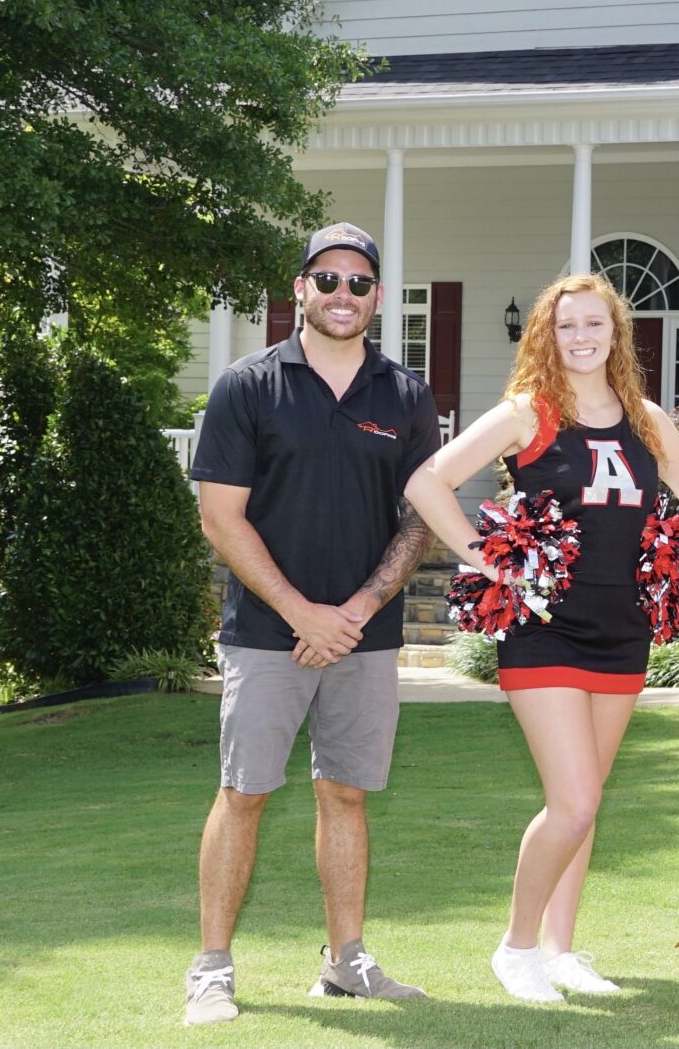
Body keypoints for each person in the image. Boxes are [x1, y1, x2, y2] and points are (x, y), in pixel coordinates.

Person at [402, 272, 679, 1004]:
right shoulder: (527, 412)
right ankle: (516, 948)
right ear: (548, 333)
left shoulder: (643, 418)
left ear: (616, 335)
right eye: (567, 326)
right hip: (544, 628)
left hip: (621, 630)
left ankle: (561, 951)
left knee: (589, 799)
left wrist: (668, 559)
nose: (581, 338)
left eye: (594, 326)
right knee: (571, 801)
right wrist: (486, 556)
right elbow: (427, 482)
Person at [184, 224, 443, 1026]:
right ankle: (212, 969)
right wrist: (302, 613)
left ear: (377, 299)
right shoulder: (247, 385)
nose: (342, 294)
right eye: (326, 280)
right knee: (245, 792)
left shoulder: (404, 395)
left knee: (346, 796)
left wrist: (358, 611)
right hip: (267, 636)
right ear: (298, 289)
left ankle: (345, 963)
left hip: (365, 635)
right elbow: (220, 519)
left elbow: (417, 520)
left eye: (359, 283)